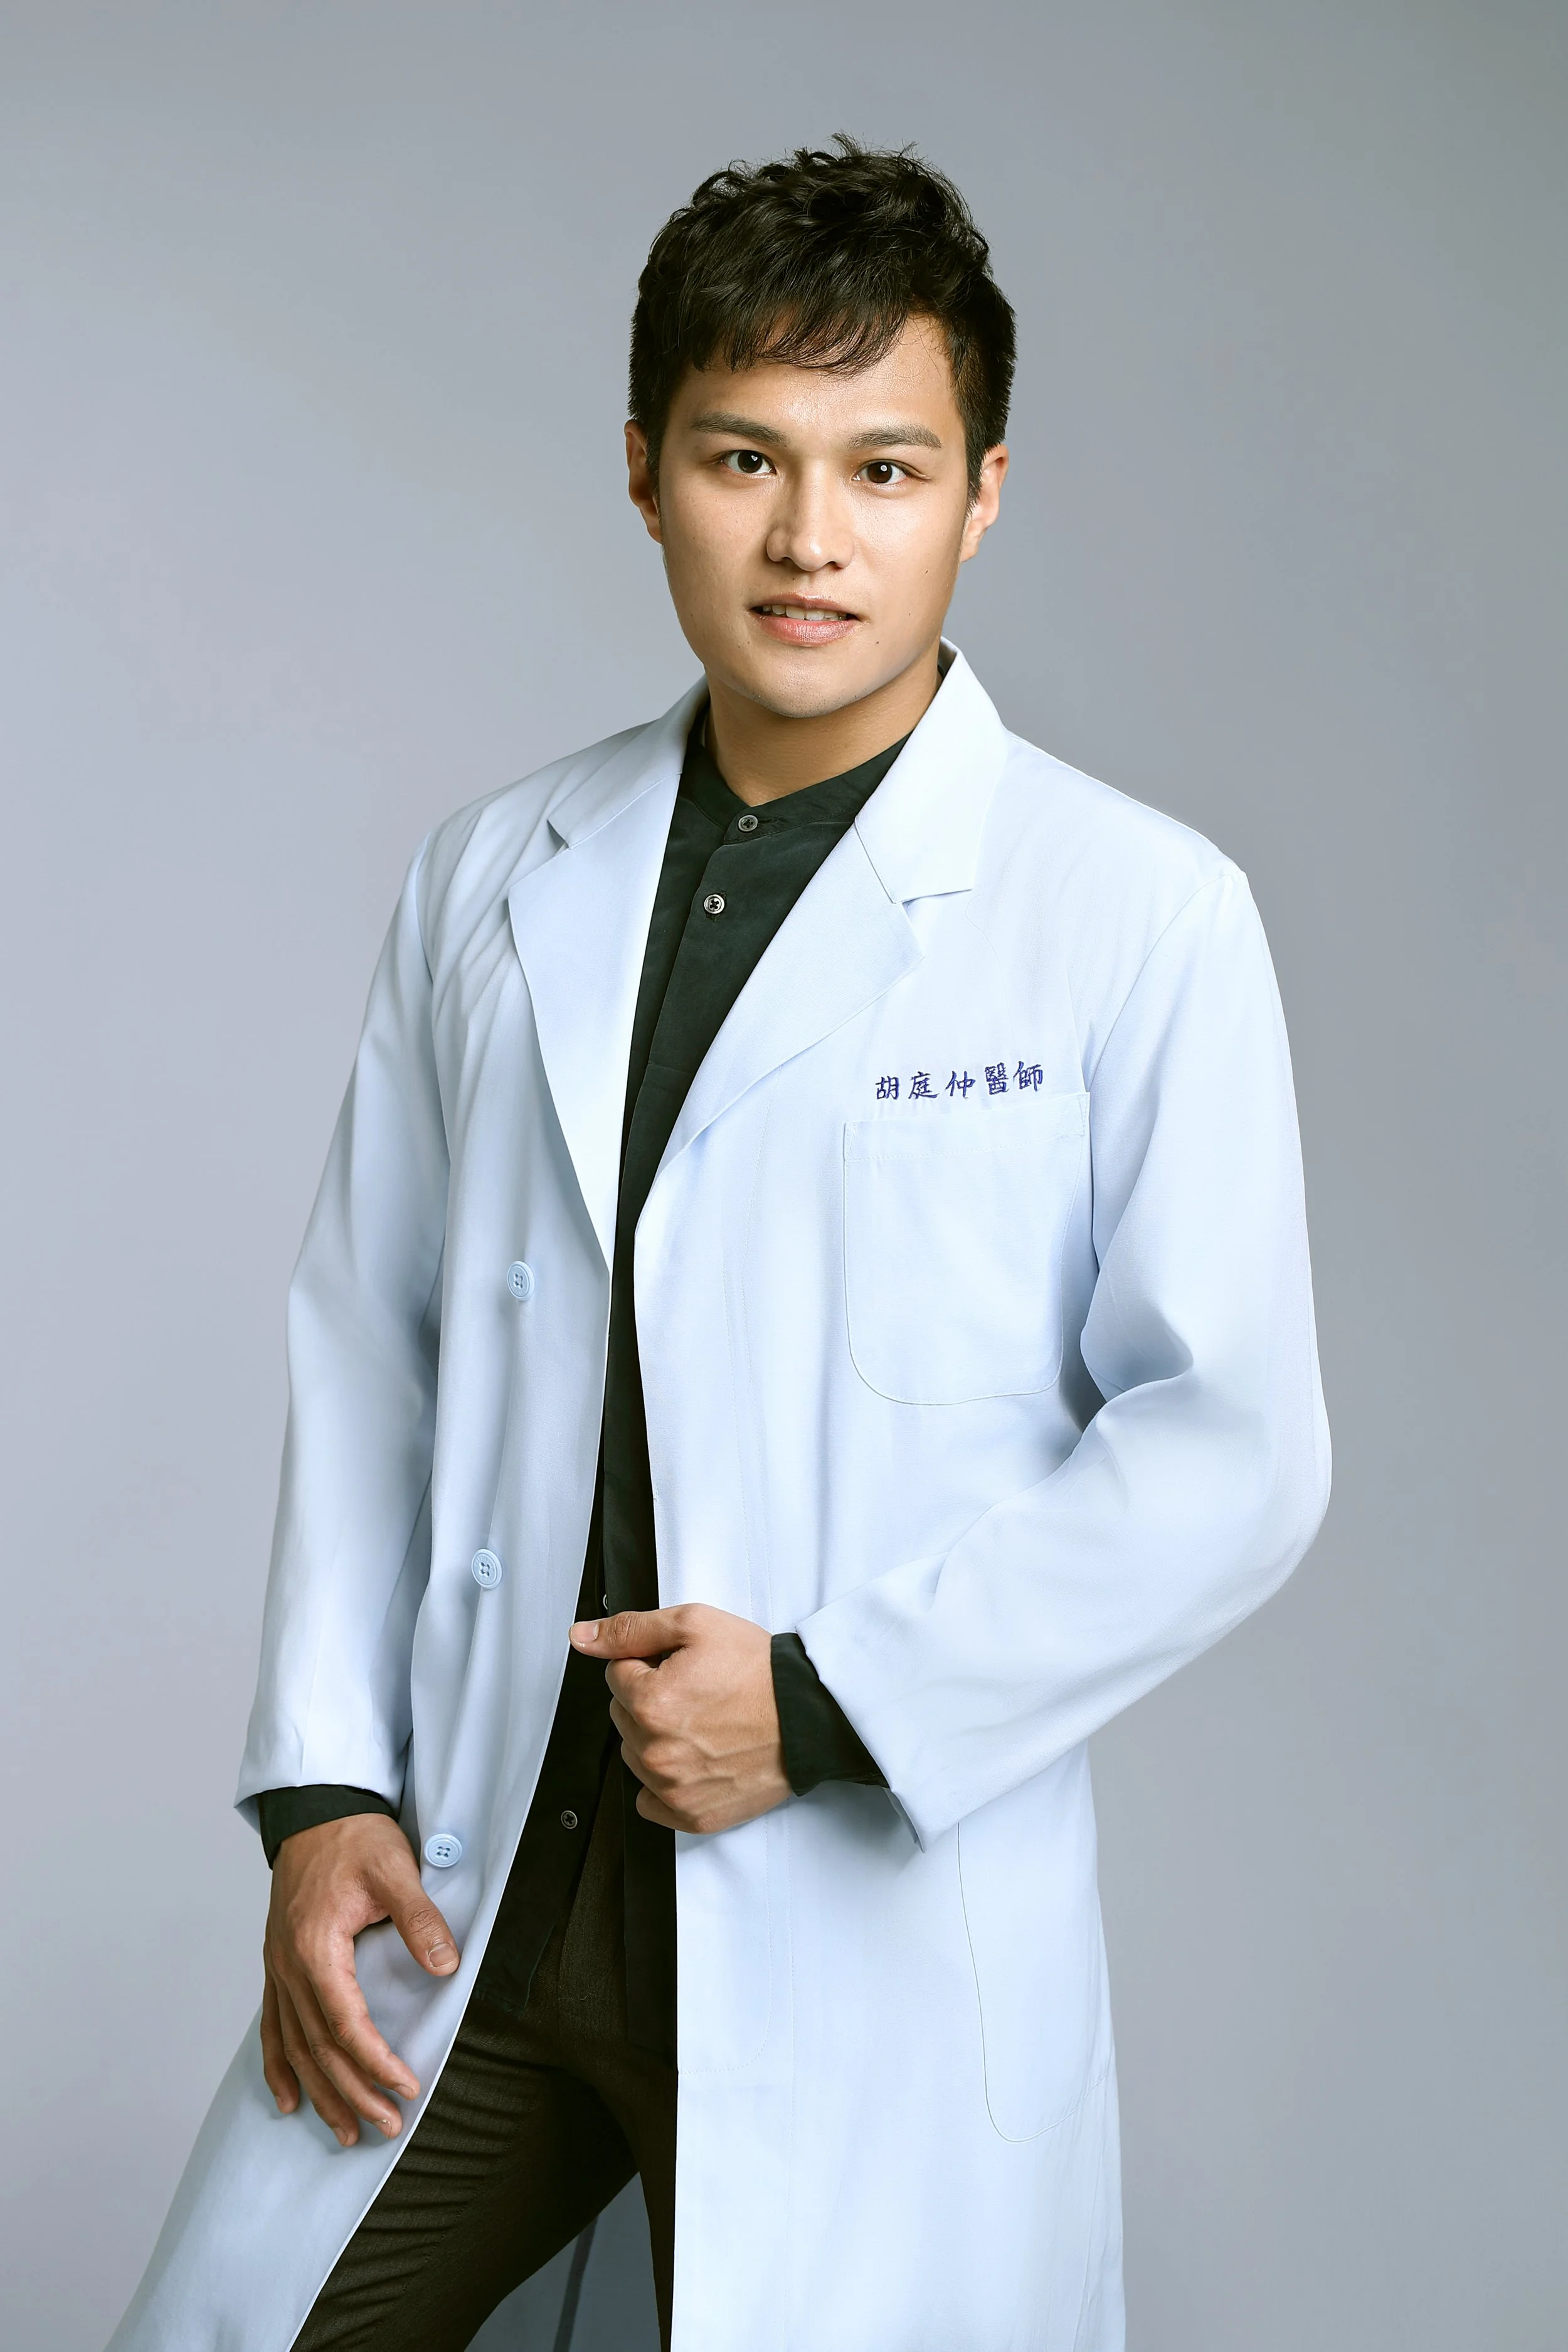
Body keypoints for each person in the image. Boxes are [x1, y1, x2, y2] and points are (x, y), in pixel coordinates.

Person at [109, 137, 1330, 2352]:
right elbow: (370, 1345)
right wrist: (321, 1786)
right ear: (648, 471)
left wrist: (835, 1701)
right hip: (483, 1899)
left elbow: (1228, 1448)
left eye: (883, 464)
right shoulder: (496, 873)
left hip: (848, 1915)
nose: (805, 535)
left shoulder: (1131, 914)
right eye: (742, 455)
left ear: (981, 494)